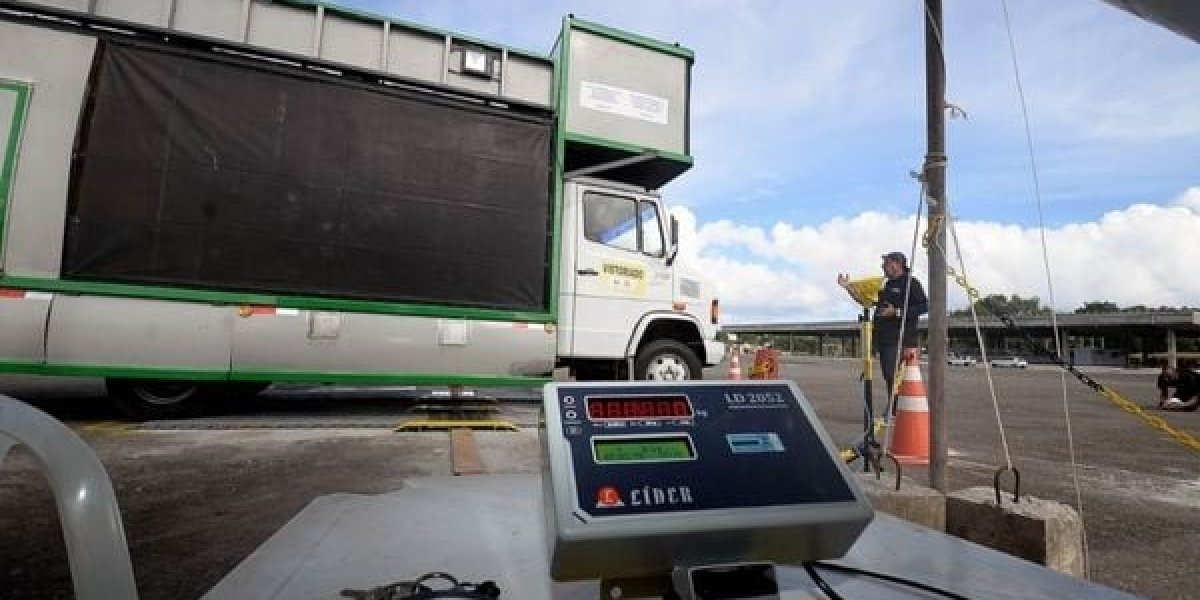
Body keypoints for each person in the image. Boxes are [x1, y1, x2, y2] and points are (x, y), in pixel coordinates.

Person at [839, 252, 928, 405]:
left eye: (885, 263)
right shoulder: (885, 285)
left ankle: (900, 409)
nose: (882, 267)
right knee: (889, 374)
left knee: (898, 376)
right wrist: (848, 287)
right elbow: (866, 301)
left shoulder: (911, 283)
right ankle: (895, 409)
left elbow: (925, 306)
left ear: (896, 264)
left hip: (902, 339)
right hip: (884, 339)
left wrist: (897, 312)